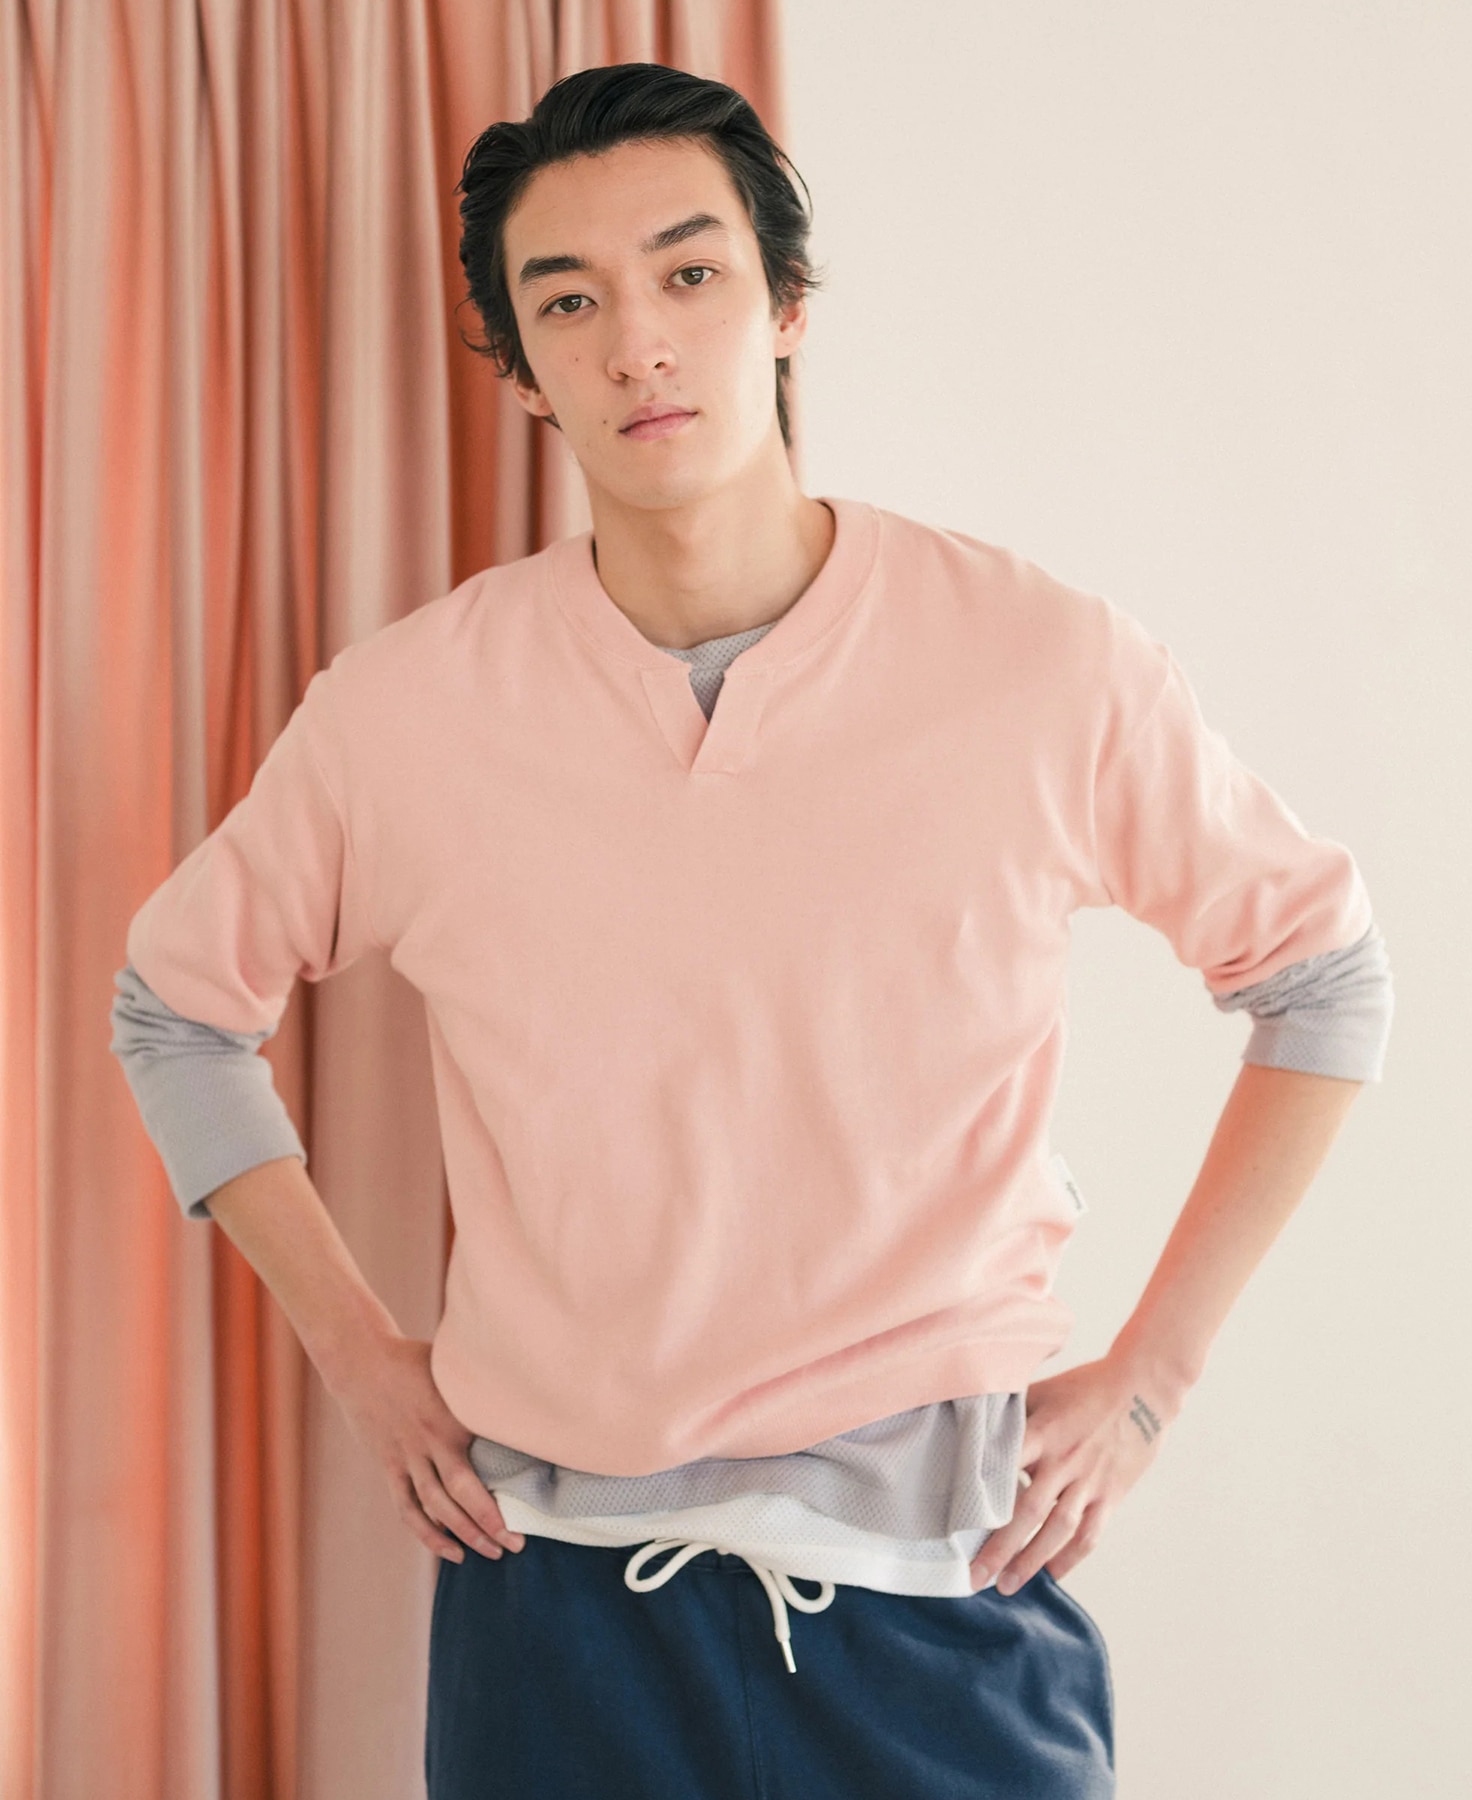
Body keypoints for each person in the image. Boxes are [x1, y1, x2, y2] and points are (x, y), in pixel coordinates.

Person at [110, 62, 1394, 1800]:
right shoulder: (402, 714)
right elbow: (177, 1009)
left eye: (689, 273)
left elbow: (1321, 978)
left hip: (942, 1606)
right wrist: (355, 1351)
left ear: (786, 305)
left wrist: (1153, 1377)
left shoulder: (1037, 664)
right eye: (570, 301)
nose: (637, 342)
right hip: (552, 1611)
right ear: (523, 369)